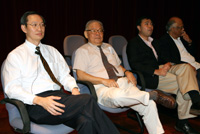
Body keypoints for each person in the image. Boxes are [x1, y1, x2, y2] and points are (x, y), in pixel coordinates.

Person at [2, 11, 120, 134]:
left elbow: (65, 76)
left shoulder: (52, 51)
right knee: (87, 99)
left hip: (59, 98)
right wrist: (39, 100)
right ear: (24, 28)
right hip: (36, 105)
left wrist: (74, 89)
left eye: (42, 25)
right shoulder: (15, 56)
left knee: (86, 121)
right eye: (34, 25)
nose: (39, 28)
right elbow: (11, 89)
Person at [73, 19, 177, 134]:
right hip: (101, 86)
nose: (98, 33)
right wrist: (103, 81)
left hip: (122, 82)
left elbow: (118, 66)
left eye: (100, 30)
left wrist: (127, 72)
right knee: (117, 96)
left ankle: (151, 107)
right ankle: (148, 95)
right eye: (93, 31)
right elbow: (80, 75)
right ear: (86, 34)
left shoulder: (109, 47)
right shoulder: (82, 51)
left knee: (150, 105)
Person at [126, 16, 200, 134]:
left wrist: (167, 63)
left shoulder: (154, 42)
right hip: (150, 75)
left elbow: (164, 57)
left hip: (162, 70)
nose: (150, 26)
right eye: (147, 24)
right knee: (185, 83)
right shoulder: (133, 43)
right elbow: (135, 65)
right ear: (139, 27)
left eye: (151, 23)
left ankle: (194, 102)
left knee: (186, 69)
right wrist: (155, 71)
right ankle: (184, 120)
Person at [159, 16, 200, 87]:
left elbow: (193, 53)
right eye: (181, 27)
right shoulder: (164, 41)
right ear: (173, 29)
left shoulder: (182, 38)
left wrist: (189, 41)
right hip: (186, 68)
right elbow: (169, 59)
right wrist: (187, 65)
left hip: (196, 65)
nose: (183, 30)